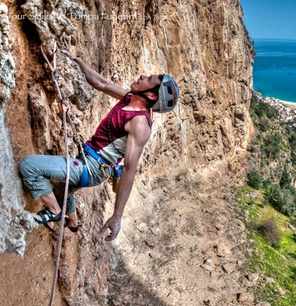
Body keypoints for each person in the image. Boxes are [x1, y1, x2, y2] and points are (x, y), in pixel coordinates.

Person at [19, 50, 179, 241]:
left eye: (148, 79)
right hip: (88, 158)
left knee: (28, 166)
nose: (143, 76)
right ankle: (73, 221)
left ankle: (55, 211)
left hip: (92, 168)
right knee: (63, 190)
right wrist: (78, 61)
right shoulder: (130, 98)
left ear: (152, 95)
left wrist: (117, 216)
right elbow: (101, 83)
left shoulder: (140, 124)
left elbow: (129, 169)